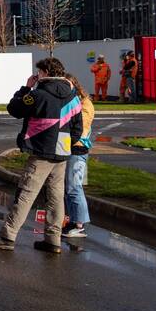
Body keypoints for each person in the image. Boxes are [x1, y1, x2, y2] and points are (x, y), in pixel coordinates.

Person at [0, 57, 82, 254]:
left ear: (44, 73)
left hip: (41, 153)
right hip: (62, 153)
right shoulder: (73, 97)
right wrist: (65, 145)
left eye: (40, 72)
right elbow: (78, 128)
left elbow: (14, 109)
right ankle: (53, 240)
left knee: (25, 195)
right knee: (55, 198)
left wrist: (26, 88)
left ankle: (7, 236)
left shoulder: (37, 94)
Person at [62, 75, 94, 240]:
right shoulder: (74, 102)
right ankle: (72, 221)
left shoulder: (84, 104)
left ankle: (79, 224)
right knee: (70, 188)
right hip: (71, 148)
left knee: (75, 188)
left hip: (78, 149)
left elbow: (81, 126)